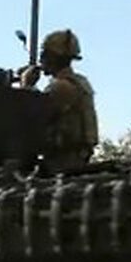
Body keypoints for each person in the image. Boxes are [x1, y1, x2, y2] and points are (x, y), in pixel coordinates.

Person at [20, 29, 99, 173]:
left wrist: (26, 86)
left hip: (63, 161)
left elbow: (33, 119)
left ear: (54, 58)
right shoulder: (79, 82)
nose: (40, 59)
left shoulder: (61, 87)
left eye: (44, 54)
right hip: (74, 156)